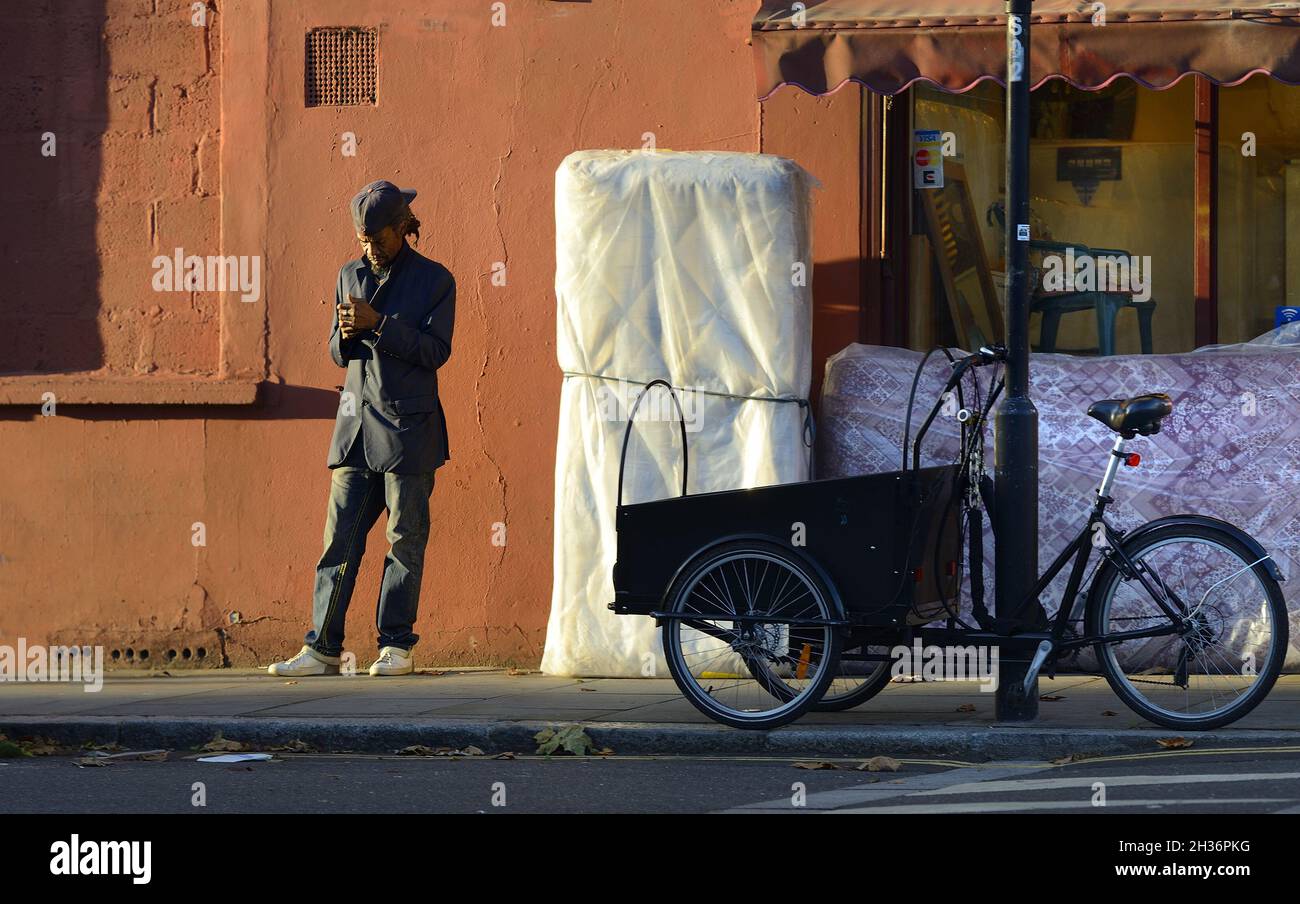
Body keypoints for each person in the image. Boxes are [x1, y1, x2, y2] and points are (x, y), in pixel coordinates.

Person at [269, 180, 455, 677]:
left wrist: (378, 325)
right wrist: (346, 337)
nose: (369, 247)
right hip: (354, 431)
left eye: (378, 237)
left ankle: (396, 646)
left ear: (403, 229)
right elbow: (335, 350)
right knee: (338, 542)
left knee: (403, 540)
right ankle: (322, 648)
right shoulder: (348, 274)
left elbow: (436, 352)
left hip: (408, 432)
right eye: (362, 238)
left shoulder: (436, 280)